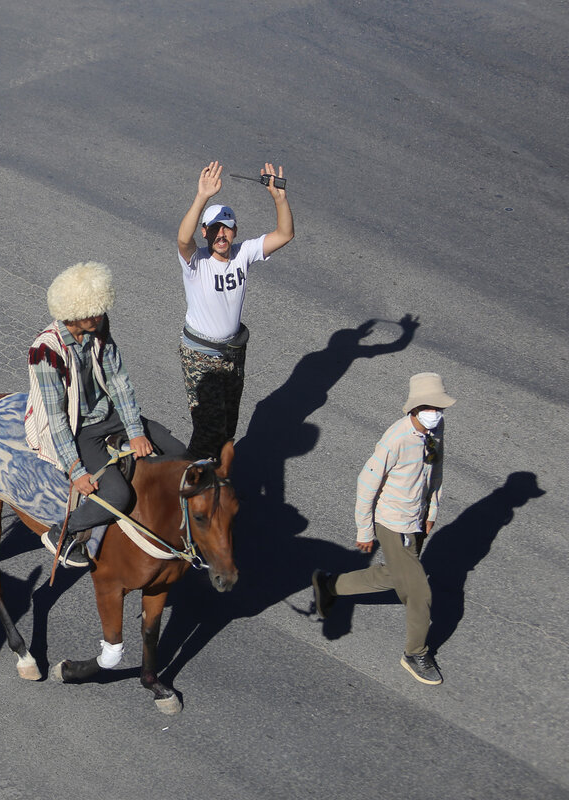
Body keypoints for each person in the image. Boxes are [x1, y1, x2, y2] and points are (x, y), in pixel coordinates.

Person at [25, 261, 188, 568]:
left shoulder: (98, 329)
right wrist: (76, 471)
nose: (100, 316)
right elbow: (58, 419)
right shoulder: (45, 352)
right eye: (94, 311)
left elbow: (118, 381)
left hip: (107, 414)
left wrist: (136, 430)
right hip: (79, 428)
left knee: (179, 453)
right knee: (116, 495)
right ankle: (63, 530)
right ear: (74, 311)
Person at [312, 373, 456, 685]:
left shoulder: (437, 427)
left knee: (395, 576)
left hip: (416, 519)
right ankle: (415, 652)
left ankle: (329, 585)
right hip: (391, 522)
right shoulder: (396, 439)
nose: (437, 413)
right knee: (420, 592)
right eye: (431, 407)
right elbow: (366, 484)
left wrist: (432, 509)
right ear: (415, 408)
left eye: (440, 407)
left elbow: (437, 468)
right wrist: (365, 531)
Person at [175, 161, 294, 458]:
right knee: (208, 432)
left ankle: (216, 484)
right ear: (205, 232)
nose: (221, 236)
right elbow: (182, 239)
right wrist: (202, 197)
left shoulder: (243, 254)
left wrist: (279, 198)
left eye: (226, 229)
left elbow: (284, 234)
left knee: (227, 430)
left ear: (234, 231)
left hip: (232, 354)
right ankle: (185, 487)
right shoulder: (196, 262)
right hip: (200, 355)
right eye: (214, 229)